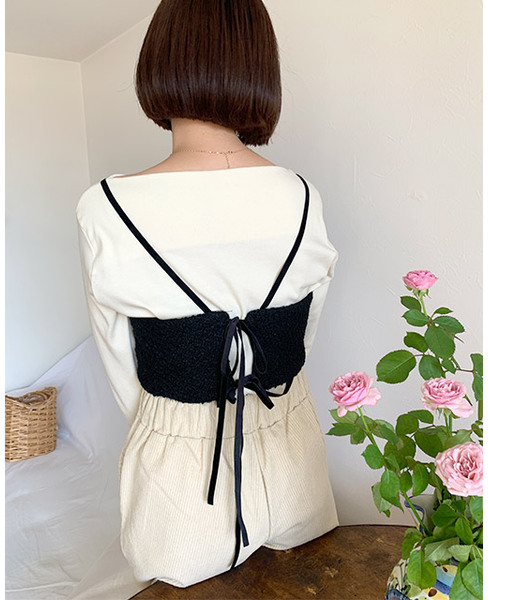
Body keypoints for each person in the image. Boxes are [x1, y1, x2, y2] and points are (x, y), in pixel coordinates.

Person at [72, 0, 340, 597]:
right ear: (260, 67)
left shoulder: (106, 208)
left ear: (160, 61)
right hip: (290, 439)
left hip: (178, 473)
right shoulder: (302, 196)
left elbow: (120, 361)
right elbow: (303, 336)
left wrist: (173, 425)